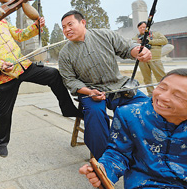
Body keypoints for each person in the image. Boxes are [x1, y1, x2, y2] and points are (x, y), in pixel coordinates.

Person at [0, 0, 81, 158]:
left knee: (53, 75)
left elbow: (20, 35)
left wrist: (36, 26)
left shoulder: (2, 22)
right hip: (2, 77)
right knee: (4, 112)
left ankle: (67, 108)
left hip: (23, 66)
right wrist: (0, 65)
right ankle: (1, 143)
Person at [79, 68, 187, 189]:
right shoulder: (130, 115)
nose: (163, 96)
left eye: (178, 96)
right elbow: (118, 153)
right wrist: (104, 170)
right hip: (147, 184)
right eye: (162, 87)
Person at [58, 10, 152, 160]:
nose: (66, 30)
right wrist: (89, 92)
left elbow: (127, 47)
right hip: (91, 91)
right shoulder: (65, 54)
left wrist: (139, 51)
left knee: (147, 106)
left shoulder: (105, 35)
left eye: (70, 24)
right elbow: (70, 80)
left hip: (118, 85)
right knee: (94, 115)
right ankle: (104, 162)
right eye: (63, 27)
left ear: (83, 22)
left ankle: (145, 153)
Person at [133, 21, 168, 96]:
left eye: (144, 27)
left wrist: (150, 41)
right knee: (147, 78)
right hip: (142, 60)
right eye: (140, 27)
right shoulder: (136, 37)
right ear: (138, 29)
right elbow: (131, 44)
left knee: (161, 76)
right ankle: (151, 94)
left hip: (155, 59)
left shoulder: (156, 34)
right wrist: (137, 42)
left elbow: (164, 41)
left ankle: (165, 92)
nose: (142, 29)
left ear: (148, 27)